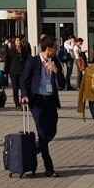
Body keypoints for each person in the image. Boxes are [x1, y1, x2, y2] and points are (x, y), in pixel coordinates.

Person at [18, 37, 64, 177]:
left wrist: (56, 71)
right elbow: (23, 80)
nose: (56, 50)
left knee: (52, 131)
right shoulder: (33, 61)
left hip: (50, 100)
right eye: (54, 48)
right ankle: (49, 167)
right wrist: (24, 95)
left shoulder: (55, 61)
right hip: (37, 101)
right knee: (42, 133)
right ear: (48, 49)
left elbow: (62, 84)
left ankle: (31, 151)